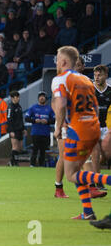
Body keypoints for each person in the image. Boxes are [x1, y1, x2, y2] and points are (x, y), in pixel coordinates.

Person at [52, 46, 111, 220]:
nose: (56, 62)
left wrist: (59, 127)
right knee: (78, 169)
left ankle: (107, 181)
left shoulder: (60, 79)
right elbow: (94, 105)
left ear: (63, 61)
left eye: (57, 58)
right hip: (93, 126)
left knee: (70, 174)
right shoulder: (86, 80)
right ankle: (88, 212)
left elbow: (61, 104)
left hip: (77, 130)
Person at [90, 65, 111, 191]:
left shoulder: (110, 91)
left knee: (107, 155)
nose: (97, 78)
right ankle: (98, 182)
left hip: (106, 127)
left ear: (106, 76)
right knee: (95, 154)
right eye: (95, 75)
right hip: (93, 126)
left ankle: (94, 174)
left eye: (100, 75)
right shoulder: (90, 89)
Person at [25, 91, 55, 167]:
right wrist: (35, 120)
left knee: (43, 151)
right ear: (38, 98)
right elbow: (26, 118)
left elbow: (54, 120)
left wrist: (47, 121)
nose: (42, 98)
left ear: (45, 98)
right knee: (35, 149)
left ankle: (42, 165)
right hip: (36, 132)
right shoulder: (33, 107)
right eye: (40, 96)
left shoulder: (49, 109)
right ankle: (32, 164)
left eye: (43, 96)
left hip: (45, 133)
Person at [7, 91, 25, 166]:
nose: (17, 98)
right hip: (14, 129)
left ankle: (13, 161)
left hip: (20, 129)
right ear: (12, 98)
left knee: (20, 147)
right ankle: (13, 162)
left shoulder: (19, 106)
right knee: (15, 146)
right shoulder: (10, 107)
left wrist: (24, 128)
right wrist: (11, 130)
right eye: (16, 97)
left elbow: (21, 119)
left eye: (18, 97)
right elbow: (9, 119)